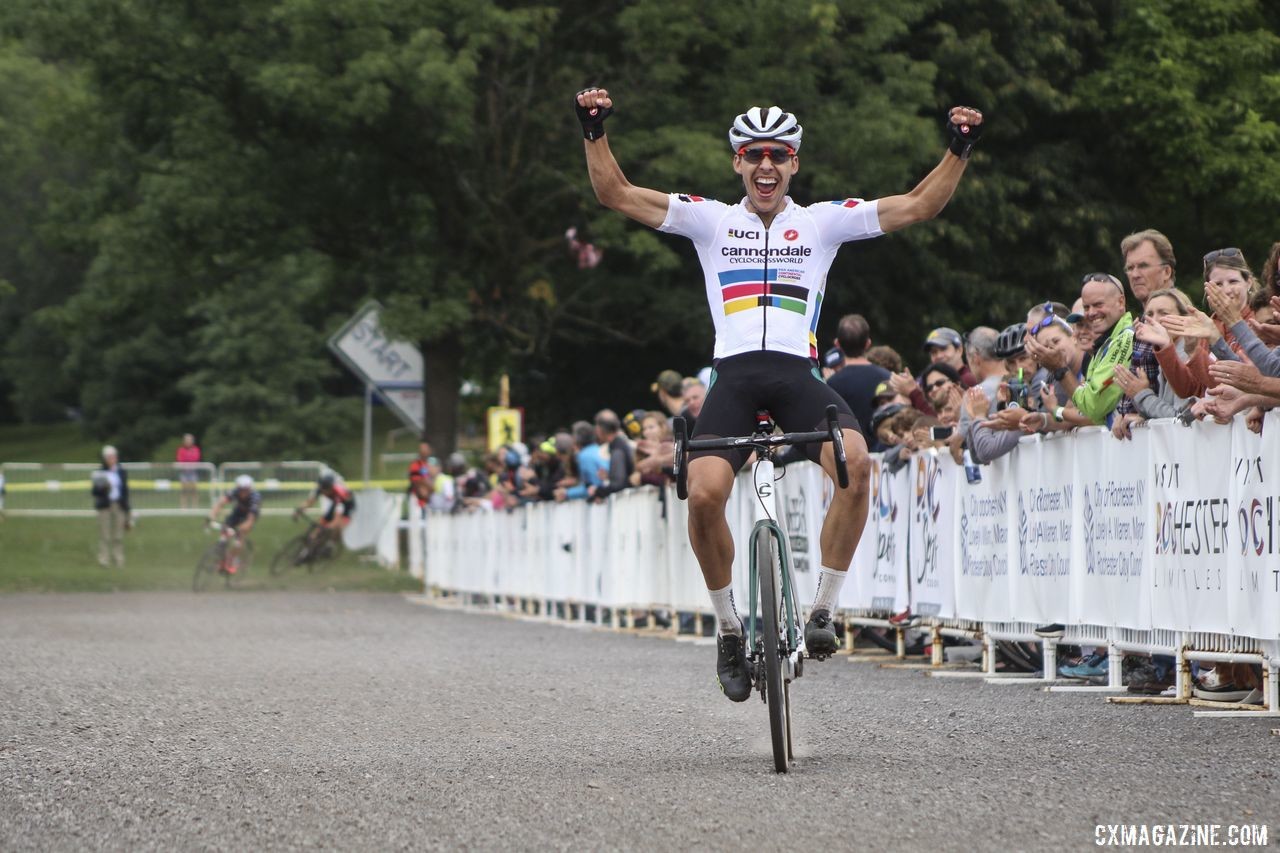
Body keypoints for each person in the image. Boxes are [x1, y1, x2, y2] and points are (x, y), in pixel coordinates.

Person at [575, 86, 983, 700]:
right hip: (733, 379)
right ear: (737, 161)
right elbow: (616, 194)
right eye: (754, 154)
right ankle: (730, 628)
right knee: (705, 496)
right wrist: (594, 130)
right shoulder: (711, 219)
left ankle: (822, 607)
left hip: (798, 377)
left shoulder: (821, 223)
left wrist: (959, 146)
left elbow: (919, 205)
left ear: (794, 162)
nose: (766, 164)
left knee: (857, 465)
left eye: (779, 154)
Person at [825, 313, 891, 436]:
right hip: (886, 449)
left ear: (837, 344)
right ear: (868, 343)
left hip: (849, 451)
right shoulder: (887, 377)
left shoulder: (832, 383)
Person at [208, 474, 261, 573]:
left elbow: (250, 520)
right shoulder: (235, 492)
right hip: (237, 513)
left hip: (249, 516)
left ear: (249, 489)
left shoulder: (255, 498)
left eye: (245, 490)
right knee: (225, 531)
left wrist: (242, 528)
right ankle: (222, 555)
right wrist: (211, 516)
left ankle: (233, 559)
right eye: (240, 490)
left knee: (239, 537)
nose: (242, 493)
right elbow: (220, 503)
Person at [91, 445, 131, 568]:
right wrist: (103, 488)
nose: (112, 459)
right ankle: (104, 559)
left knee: (118, 535)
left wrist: (128, 507)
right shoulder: (100, 472)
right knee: (105, 534)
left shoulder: (121, 472)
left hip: (118, 504)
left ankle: (118, 558)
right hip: (105, 505)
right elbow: (95, 492)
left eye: (114, 456)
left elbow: (125, 490)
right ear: (105, 458)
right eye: (109, 457)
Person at [295, 472, 356, 548]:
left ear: (330, 488)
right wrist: (299, 510)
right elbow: (310, 502)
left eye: (325, 490)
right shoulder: (320, 488)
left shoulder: (339, 493)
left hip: (347, 505)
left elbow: (338, 514)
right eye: (321, 489)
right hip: (336, 503)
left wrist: (330, 526)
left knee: (337, 526)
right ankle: (311, 543)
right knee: (323, 521)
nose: (323, 492)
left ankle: (331, 544)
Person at [589, 409, 634, 501]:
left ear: (599, 429)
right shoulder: (620, 444)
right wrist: (609, 476)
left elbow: (619, 483)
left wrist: (598, 491)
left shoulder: (618, 449)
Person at [175, 433, 202, 510]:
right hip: (184, 472)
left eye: (189, 440)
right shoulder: (181, 450)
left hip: (193, 472)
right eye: (186, 440)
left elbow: (196, 458)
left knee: (194, 490)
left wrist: (187, 462)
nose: (188, 441)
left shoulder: (196, 449)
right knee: (184, 491)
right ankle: (183, 507)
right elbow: (179, 459)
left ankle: (195, 507)